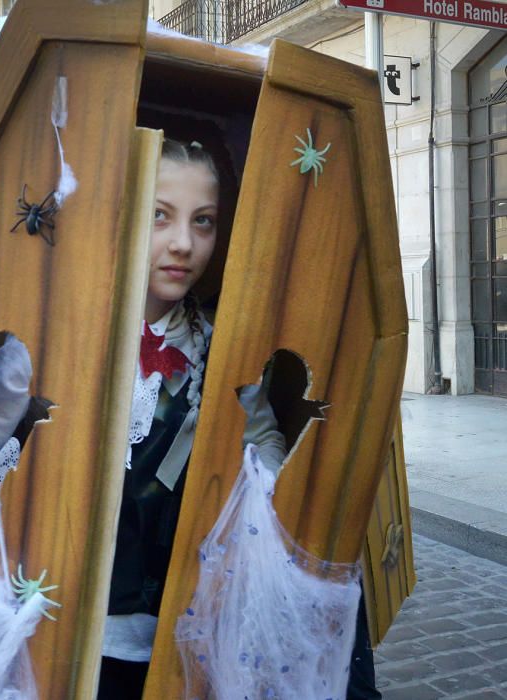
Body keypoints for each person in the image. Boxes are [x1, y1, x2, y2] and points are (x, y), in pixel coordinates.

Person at [97, 139, 379, 699]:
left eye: (203, 222)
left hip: (186, 631)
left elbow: (276, 463)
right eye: (160, 216)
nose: (183, 244)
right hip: (87, 638)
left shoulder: (225, 343)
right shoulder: (74, 337)